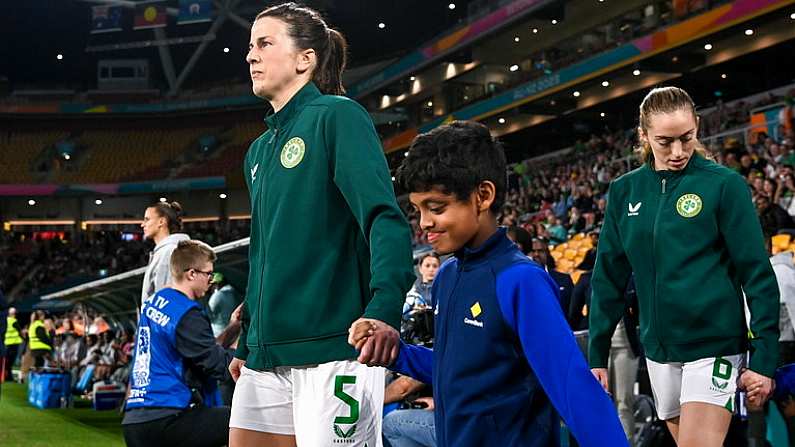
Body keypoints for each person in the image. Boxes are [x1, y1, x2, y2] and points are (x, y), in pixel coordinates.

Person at [352, 121, 627, 446]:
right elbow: (456, 368)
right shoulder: (447, 276)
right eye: (417, 210)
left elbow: (573, 387)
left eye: (436, 208)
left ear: (483, 195)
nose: (424, 223)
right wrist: (395, 352)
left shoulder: (521, 281)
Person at [229, 3, 415, 446]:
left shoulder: (338, 116)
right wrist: (247, 339)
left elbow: (383, 218)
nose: (250, 56)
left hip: (335, 351)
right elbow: (263, 254)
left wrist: (384, 309)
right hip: (266, 354)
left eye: (264, 43)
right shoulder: (257, 152)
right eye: (249, 46)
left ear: (304, 59)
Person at [588, 86, 780, 447]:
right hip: (659, 352)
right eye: (665, 142)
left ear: (697, 128)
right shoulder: (624, 191)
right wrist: (596, 353)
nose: (678, 152)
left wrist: (764, 358)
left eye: (686, 138)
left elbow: (757, 275)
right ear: (643, 135)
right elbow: (608, 279)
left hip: (714, 345)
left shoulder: (724, 186)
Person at [123, 240, 237, 447]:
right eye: (208, 274)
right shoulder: (185, 313)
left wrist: (232, 327)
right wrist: (247, 357)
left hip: (136, 418)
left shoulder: (155, 302)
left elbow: (199, 350)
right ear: (191, 274)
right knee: (241, 422)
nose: (210, 281)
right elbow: (217, 364)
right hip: (167, 415)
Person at [140, 201, 189, 306]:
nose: (142, 224)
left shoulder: (168, 252)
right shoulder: (165, 251)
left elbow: (164, 304)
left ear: (161, 222)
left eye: (147, 219)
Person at [4, 306, 22, 381]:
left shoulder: (5, 320)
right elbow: (19, 331)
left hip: (6, 343)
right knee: (10, 363)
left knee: (7, 362)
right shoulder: (13, 321)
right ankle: (8, 377)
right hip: (14, 344)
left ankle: (7, 377)